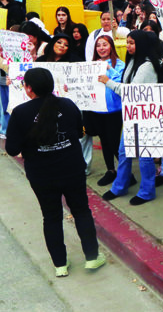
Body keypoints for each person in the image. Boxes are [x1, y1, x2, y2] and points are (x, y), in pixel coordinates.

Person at [5, 68, 106, 277]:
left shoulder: (21, 112)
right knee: (81, 210)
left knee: (51, 217)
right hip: (72, 168)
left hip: (41, 174)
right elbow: (79, 132)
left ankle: (60, 265)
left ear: (29, 88)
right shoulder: (67, 105)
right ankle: (92, 257)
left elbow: (12, 149)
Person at [99, 30, 159, 205]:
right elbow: (126, 84)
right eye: (128, 42)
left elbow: (130, 91)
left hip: (146, 116)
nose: (128, 46)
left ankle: (147, 191)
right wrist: (110, 72)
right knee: (124, 152)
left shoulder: (147, 65)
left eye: (132, 43)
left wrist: (107, 82)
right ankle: (119, 186)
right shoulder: (133, 61)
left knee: (145, 156)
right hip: (132, 115)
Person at [89, 35, 124, 186]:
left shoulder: (120, 64)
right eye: (98, 46)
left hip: (114, 110)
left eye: (105, 45)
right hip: (98, 109)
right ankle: (110, 170)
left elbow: (120, 83)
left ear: (111, 47)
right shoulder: (91, 64)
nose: (101, 48)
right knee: (104, 141)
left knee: (115, 143)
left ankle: (126, 173)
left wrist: (109, 69)